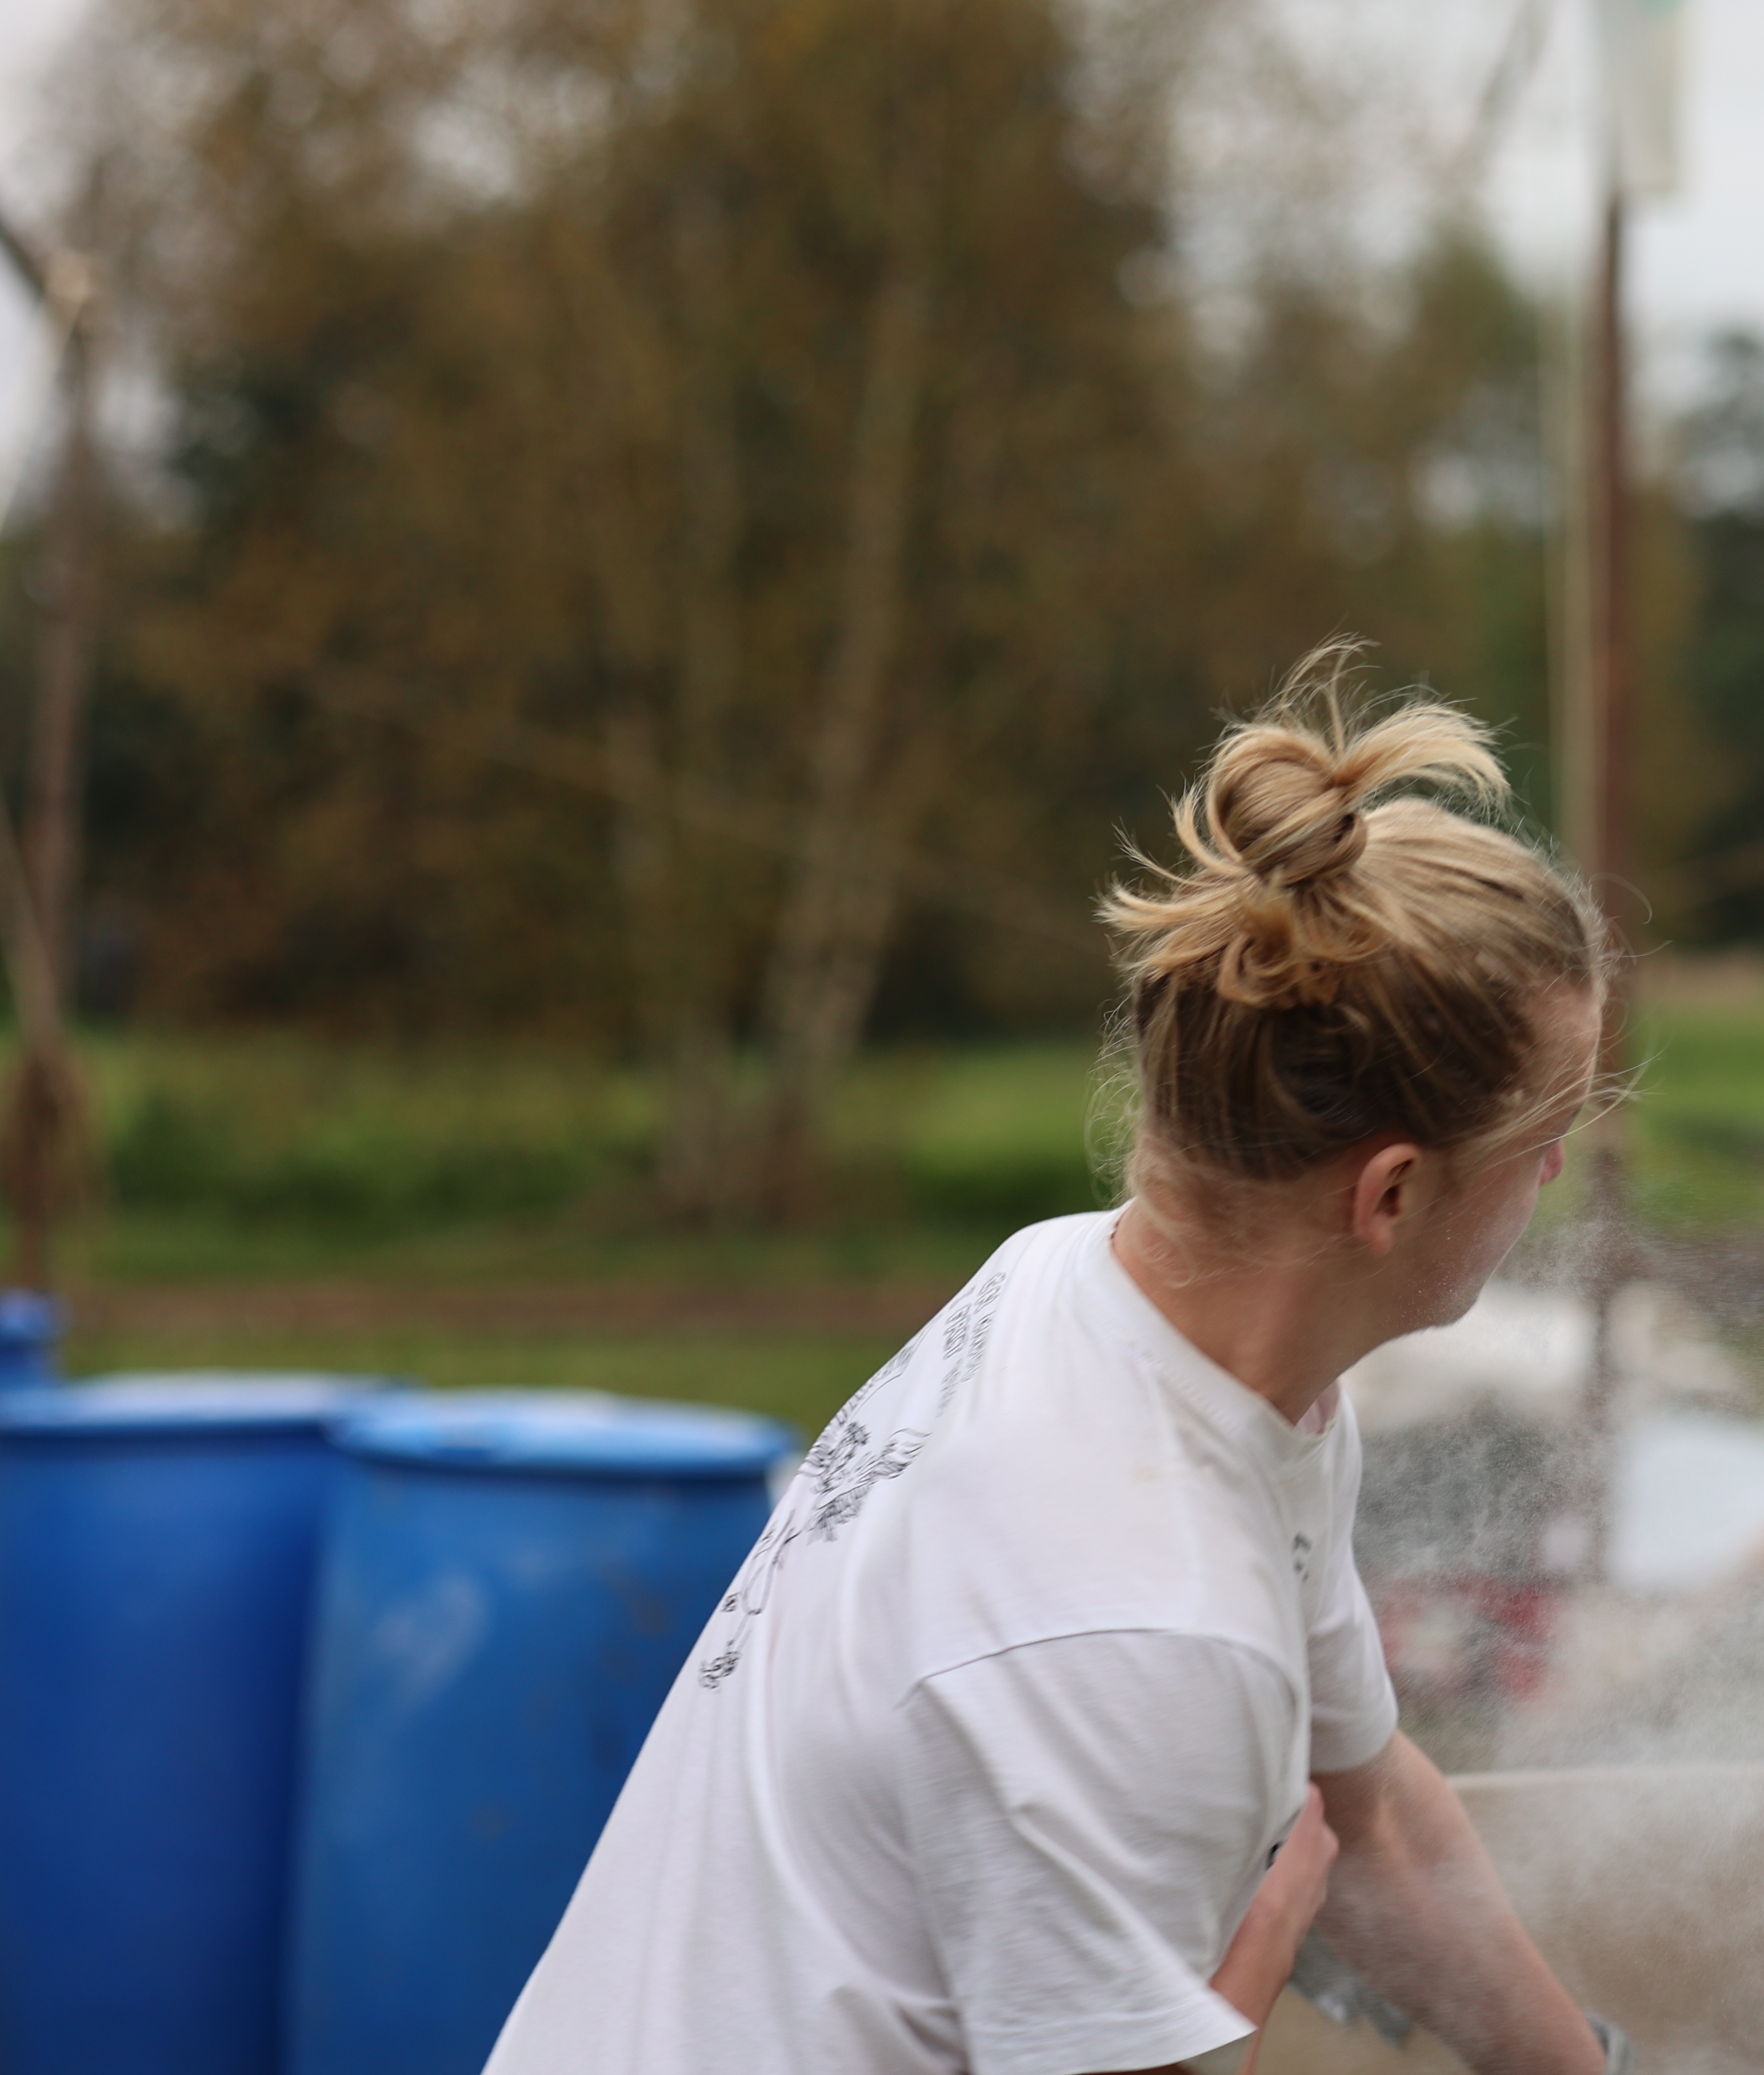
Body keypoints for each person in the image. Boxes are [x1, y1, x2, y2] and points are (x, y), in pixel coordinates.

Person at [488, 652, 1620, 2075]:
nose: (1555, 1173)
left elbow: (1375, 1822)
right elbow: (1248, 1823)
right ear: (1390, 1194)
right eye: (1542, 1140)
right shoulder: (1134, 1620)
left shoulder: (1112, 1306)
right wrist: (1266, 1933)